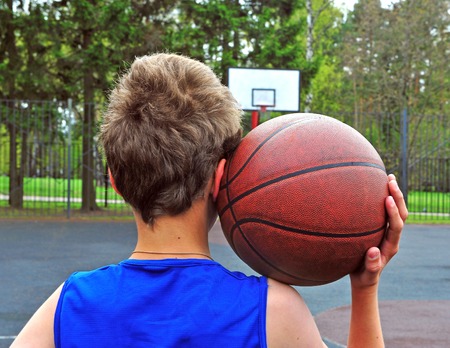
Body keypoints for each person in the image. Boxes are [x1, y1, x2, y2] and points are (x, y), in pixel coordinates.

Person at [12, 53, 408, 348]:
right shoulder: (272, 312)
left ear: (114, 181)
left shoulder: (67, 307)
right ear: (221, 179)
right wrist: (365, 285)